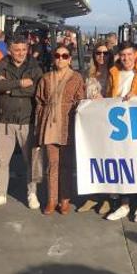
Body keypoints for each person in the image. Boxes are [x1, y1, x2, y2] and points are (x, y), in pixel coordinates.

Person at [0, 36, 44, 209]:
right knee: (0, 160)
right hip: (3, 120)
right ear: (10, 50)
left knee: (33, 161)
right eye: (17, 50)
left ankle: (32, 193)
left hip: (28, 120)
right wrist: (19, 83)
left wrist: (10, 89)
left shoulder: (34, 67)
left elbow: (36, 90)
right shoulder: (2, 64)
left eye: (24, 50)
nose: (21, 53)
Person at [105, 41, 137, 222]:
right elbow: (108, 96)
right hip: (118, 127)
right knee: (121, 165)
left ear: (135, 55)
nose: (126, 58)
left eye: (129, 54)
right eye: (123, 55)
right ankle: (124, 204)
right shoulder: (113, 72)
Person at [34, 45, 85, 215]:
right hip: (50, 125)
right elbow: (39, 102)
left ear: (70, 59)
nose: (61, 59)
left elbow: (81, 101)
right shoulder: (46, 78)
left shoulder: (77, 78)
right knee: (52, 165)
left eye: (65, 56)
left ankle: (65, 199)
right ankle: (51, 199)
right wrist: (39, 125)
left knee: (66, 165)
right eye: (57, 55)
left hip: (67, 124)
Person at [78, 41, 113, 214]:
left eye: (105, 53)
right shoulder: (87, 73)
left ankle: (106, 198)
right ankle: (92, 196)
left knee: (105, 160)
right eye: (98, 53)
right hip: (91, 123)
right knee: (91, 159)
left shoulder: (114, 73)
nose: (101, 56)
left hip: (108, 123)